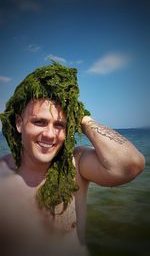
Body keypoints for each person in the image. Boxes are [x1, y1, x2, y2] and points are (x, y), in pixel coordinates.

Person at [0, 62, 145, 256]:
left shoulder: (74, 164)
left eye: (59, 124)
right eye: (39, 122)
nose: (50, 135)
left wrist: (82, 117)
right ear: (19, 123)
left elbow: (131, 165)